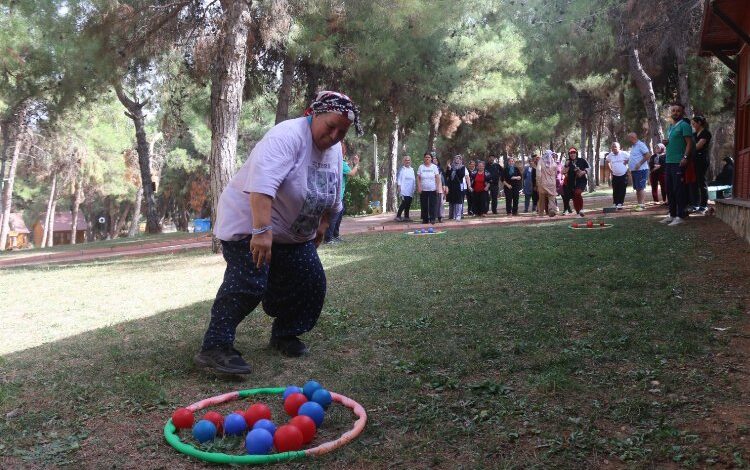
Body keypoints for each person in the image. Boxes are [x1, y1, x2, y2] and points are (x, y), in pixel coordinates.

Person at [195, 90, 362, 375]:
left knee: (311, 281)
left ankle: (284, 333)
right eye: (330, 126)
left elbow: (332, 193)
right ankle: (215, 346)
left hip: (291, 233)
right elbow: (261, 186)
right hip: (249, 224)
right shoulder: (286, 136)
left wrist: (321, 226)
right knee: (248, 283)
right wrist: (260, 231)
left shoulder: (333, 150)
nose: (334, 135)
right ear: (313, 114)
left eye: (342, 131)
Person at [662, 102, 694, 226]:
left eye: (678, 111)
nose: (675, 113)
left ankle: (680, 215)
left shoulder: (685, 125)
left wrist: (685, 157)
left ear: (682, 112)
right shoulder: (670, 127)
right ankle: (672, 214)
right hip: (669, 161)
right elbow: (673, 142)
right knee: (669, 189)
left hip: (679, 162)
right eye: (673, 110)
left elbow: (689, 143)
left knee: (678, 189)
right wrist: (665, 143)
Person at [324, 153, 359, 243]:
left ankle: (335, 236)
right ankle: (328, 238)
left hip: (334, 193)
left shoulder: (336, 162)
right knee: (334, 217)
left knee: (337, 217)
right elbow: (351, 173)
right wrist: (356, 164)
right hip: (338, 195)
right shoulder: (341, 163)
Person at [692, 116, 712, 212]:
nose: (693, 125)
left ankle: (703, 204)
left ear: (699, 123)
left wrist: (689, 149)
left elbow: (698, 146)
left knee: (701, 181)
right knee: (694, 182)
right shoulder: (694, 134)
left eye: (694, 123)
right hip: (694, 160)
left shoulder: (706, 133)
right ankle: (695, 203)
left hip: (702, 159)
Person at [626, 132, 651, 211]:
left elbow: (648, 155)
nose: (628, 140)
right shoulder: (634, 146)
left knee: (641, 187)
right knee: (637, 188)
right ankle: (639, 204)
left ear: (633, 137)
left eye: (629, 138)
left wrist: (639, 163)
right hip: (635, 171)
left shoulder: (640, 144)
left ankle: (642, 205)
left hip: (641, 170)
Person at [563, 147, 590, 217]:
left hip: (581, 181)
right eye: (571, 153)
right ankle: (578, 212)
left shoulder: (582, 160)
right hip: (571, 182)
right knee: (574, 196)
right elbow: (563, 172)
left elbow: (589, 168)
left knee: (577, 193)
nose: (572, 154)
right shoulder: (567, 162)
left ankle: (581, 209)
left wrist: (583, 172)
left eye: (574, 152)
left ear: (576, 153)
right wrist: (566, 166)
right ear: (569, 154)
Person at [417, 152, 442, 224]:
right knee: (424, 204)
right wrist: (419, 187)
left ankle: (432, 219)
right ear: (424, 158)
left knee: (433, 204)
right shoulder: (421, 167)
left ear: (431, 159)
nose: (427, 158)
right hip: (423, 189)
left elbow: (437, 177)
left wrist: (437, 187)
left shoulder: (434, 167)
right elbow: (418, 178)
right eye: (426, 157)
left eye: (429, 157)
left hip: (433, 189)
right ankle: (425, 219)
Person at [607, 142, 629, 209]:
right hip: (615, 175)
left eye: (615, 146)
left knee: (622, 189)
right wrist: (610, 169)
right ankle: (615, 203)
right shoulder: (610, 155)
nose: (614, 148)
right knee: (615, 190)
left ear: (619, 147)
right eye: (612, 147)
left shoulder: (624, 153)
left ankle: (620, 203)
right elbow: (607, 161)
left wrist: (627, 162)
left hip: (623, 175)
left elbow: (631, 158)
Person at [537, 150, 559, 216]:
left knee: (542, 198)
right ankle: (551, 209)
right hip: (552, 183)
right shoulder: (553, 162)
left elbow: (538, 172)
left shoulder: (540, 161)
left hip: (543, 183)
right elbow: (555, 173)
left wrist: (538, 181)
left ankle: (541, 212)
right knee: (552, 197)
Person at [446, 155, 468, 220]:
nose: (457, 160)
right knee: (452, 200)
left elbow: (461, 175)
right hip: (451, 186)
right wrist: (449, 169)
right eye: (456, 158)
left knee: (458, 200)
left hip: (458, 185)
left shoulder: (462, 167)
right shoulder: (450, 166)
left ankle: (458, 215)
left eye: (459, 159)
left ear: (461, 160)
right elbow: (447, 175)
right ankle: (451, 215)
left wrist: (456, 169)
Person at [395, 155, 415, 222]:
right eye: (406, 160)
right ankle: (398, 216)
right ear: (404, 161)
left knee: (408, 203)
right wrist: (399, 186)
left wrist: (414, 188)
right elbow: (399, 179)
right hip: (403, 189)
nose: (407, 161)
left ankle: (406, 217)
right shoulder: (402, 169)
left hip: (410, 189)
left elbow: (413, 179)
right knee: (404, 202)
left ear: (410, 161)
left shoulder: (412, 169)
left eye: (408, 160)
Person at [432, 154, 446, 222]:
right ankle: (433, 217)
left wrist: (444, 186)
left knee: (440, 203)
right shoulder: (430, 168)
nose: (435, 161)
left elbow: (443, 178)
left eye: (436, 160)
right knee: (433, 203)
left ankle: (440, 217)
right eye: (433, 160)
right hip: (432, 188)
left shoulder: (440, 169)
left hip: (440, 187)